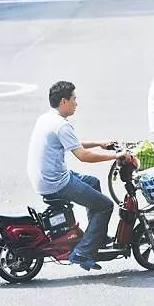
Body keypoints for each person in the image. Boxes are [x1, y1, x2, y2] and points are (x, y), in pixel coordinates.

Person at [27, 81, 131, 271]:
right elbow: (82, 156)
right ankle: (83, 252)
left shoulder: (48, 118)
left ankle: (96, 236)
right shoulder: (61, 125)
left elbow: (72, 143)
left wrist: (99, 143)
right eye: (74, 99)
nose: (77, 103)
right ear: (64, 101)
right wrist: (116, 156)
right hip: (56, 182)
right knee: (105, 205)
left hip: (45, 177)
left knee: (93, 182)